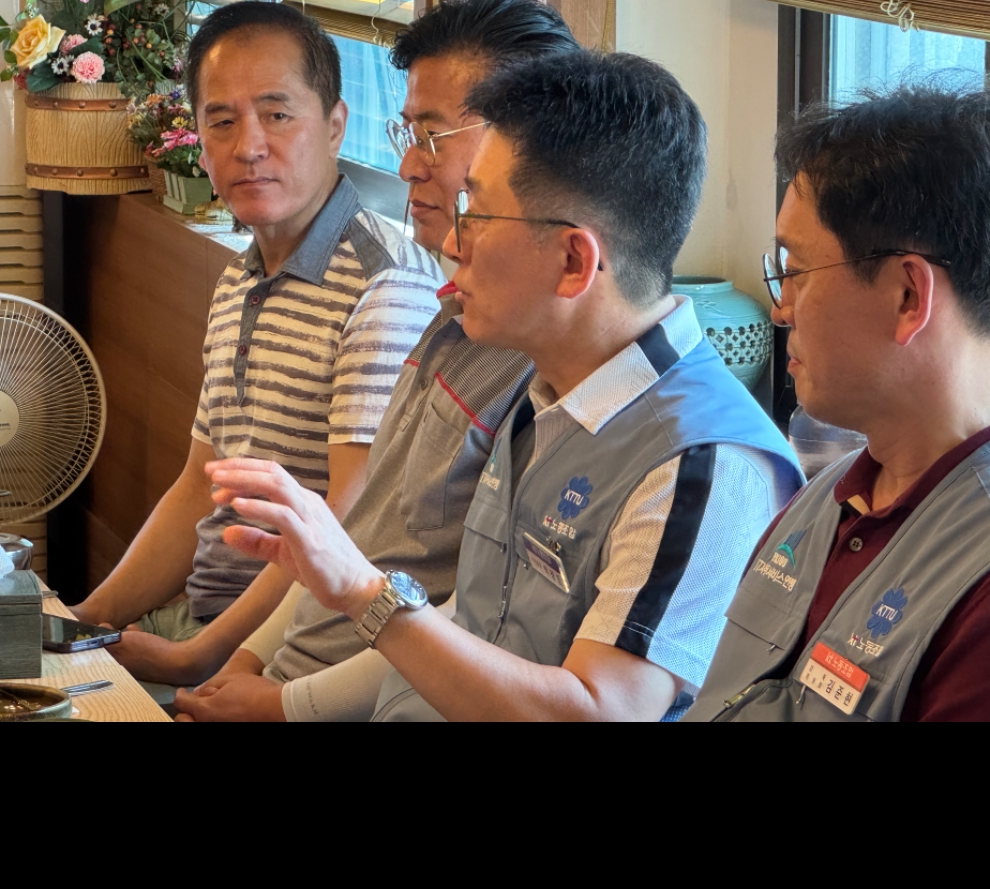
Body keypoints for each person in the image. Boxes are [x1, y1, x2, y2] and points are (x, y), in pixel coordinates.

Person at [191, 50, 804, 725]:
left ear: (573, 261)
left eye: (477, 214)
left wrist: (364, 593)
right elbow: (478, 616)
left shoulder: (705, 464)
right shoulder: (546, 389)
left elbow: (601, 711)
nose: (456, 245)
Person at [167, 0, 578, 718]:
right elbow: (346, 537)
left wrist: (279, 699)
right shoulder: (452, 320)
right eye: (407, 134)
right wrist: (244, 664)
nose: (409, 167)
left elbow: (465, 613)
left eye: (434, 138)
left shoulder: (430, 308)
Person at [71, 0, 440, 673]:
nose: (249, 147)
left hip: (294, 656)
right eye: (222, 121)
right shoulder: (241, 279)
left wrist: (198, 659)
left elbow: (347, 519)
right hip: (203, 620)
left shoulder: (386, 285)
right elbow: (199, 485)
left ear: (335, 126)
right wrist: (81, 623)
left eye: (277, 115)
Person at [689, 84, 990, 722]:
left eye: (795, 270)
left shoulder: (977, 589)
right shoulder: (828, 498)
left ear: (908, 297)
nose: (780, 308)